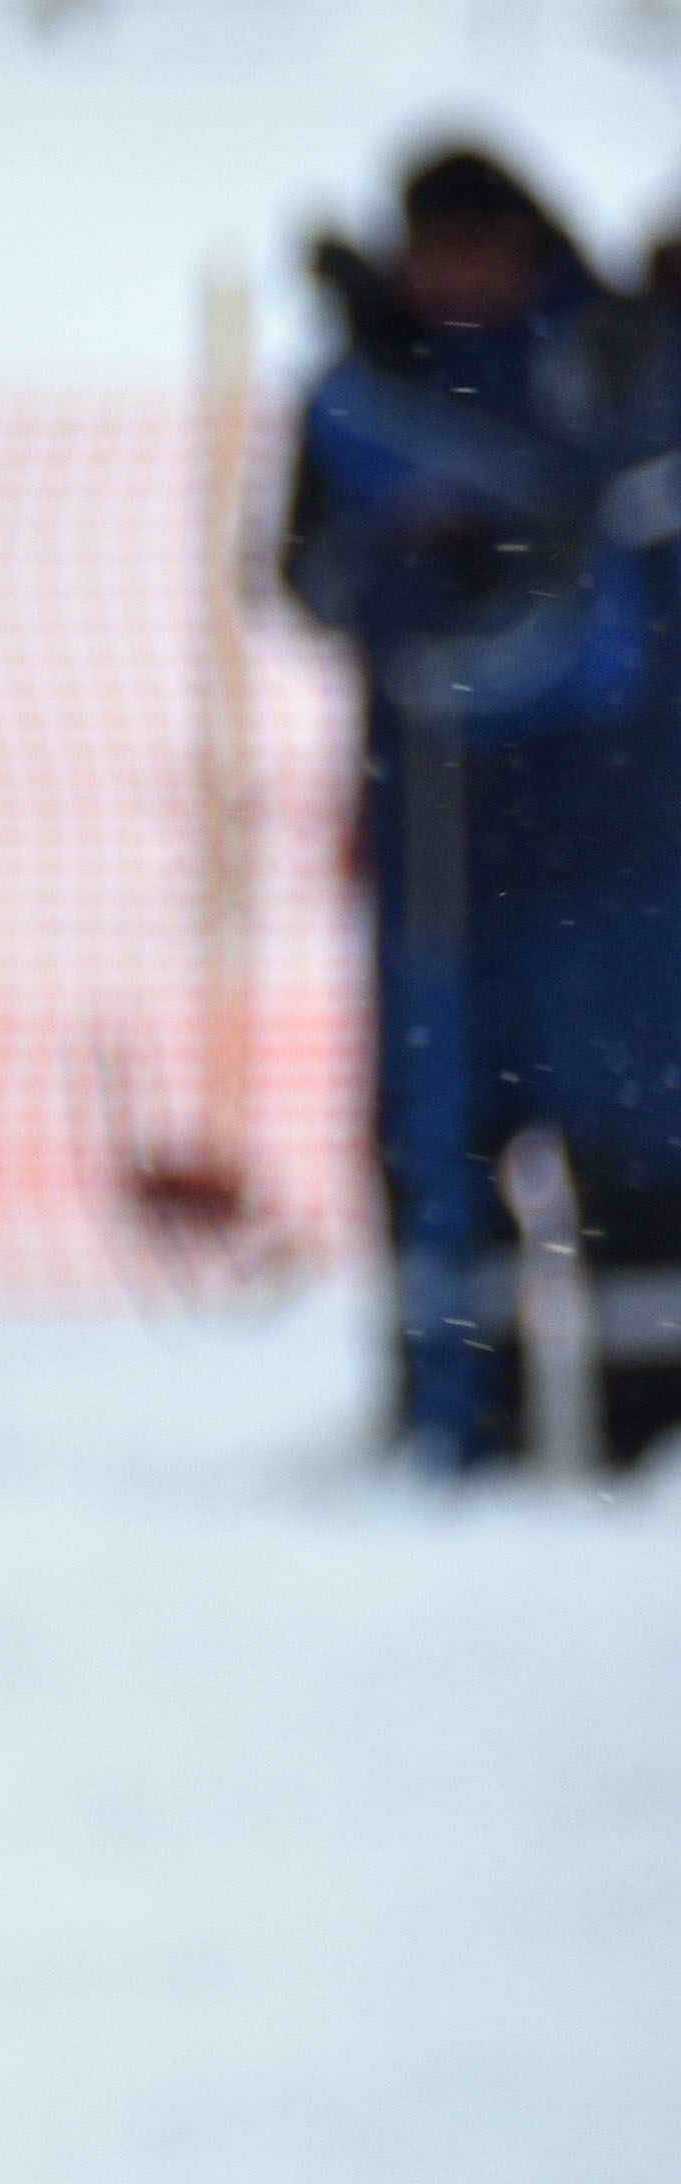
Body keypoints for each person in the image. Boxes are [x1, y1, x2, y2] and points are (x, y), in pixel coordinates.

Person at [278, 139, 681, 1469]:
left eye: (476, 250)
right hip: (438, 831)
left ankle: (647, 1430)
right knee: (440, 1130)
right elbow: (307, 574)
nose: (454, 281)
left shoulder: (613, 367)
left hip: (617, 835)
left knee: (630, 1136)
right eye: (431, 252)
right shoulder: (362, 390)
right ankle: (457, 1413)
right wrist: (406, 585)